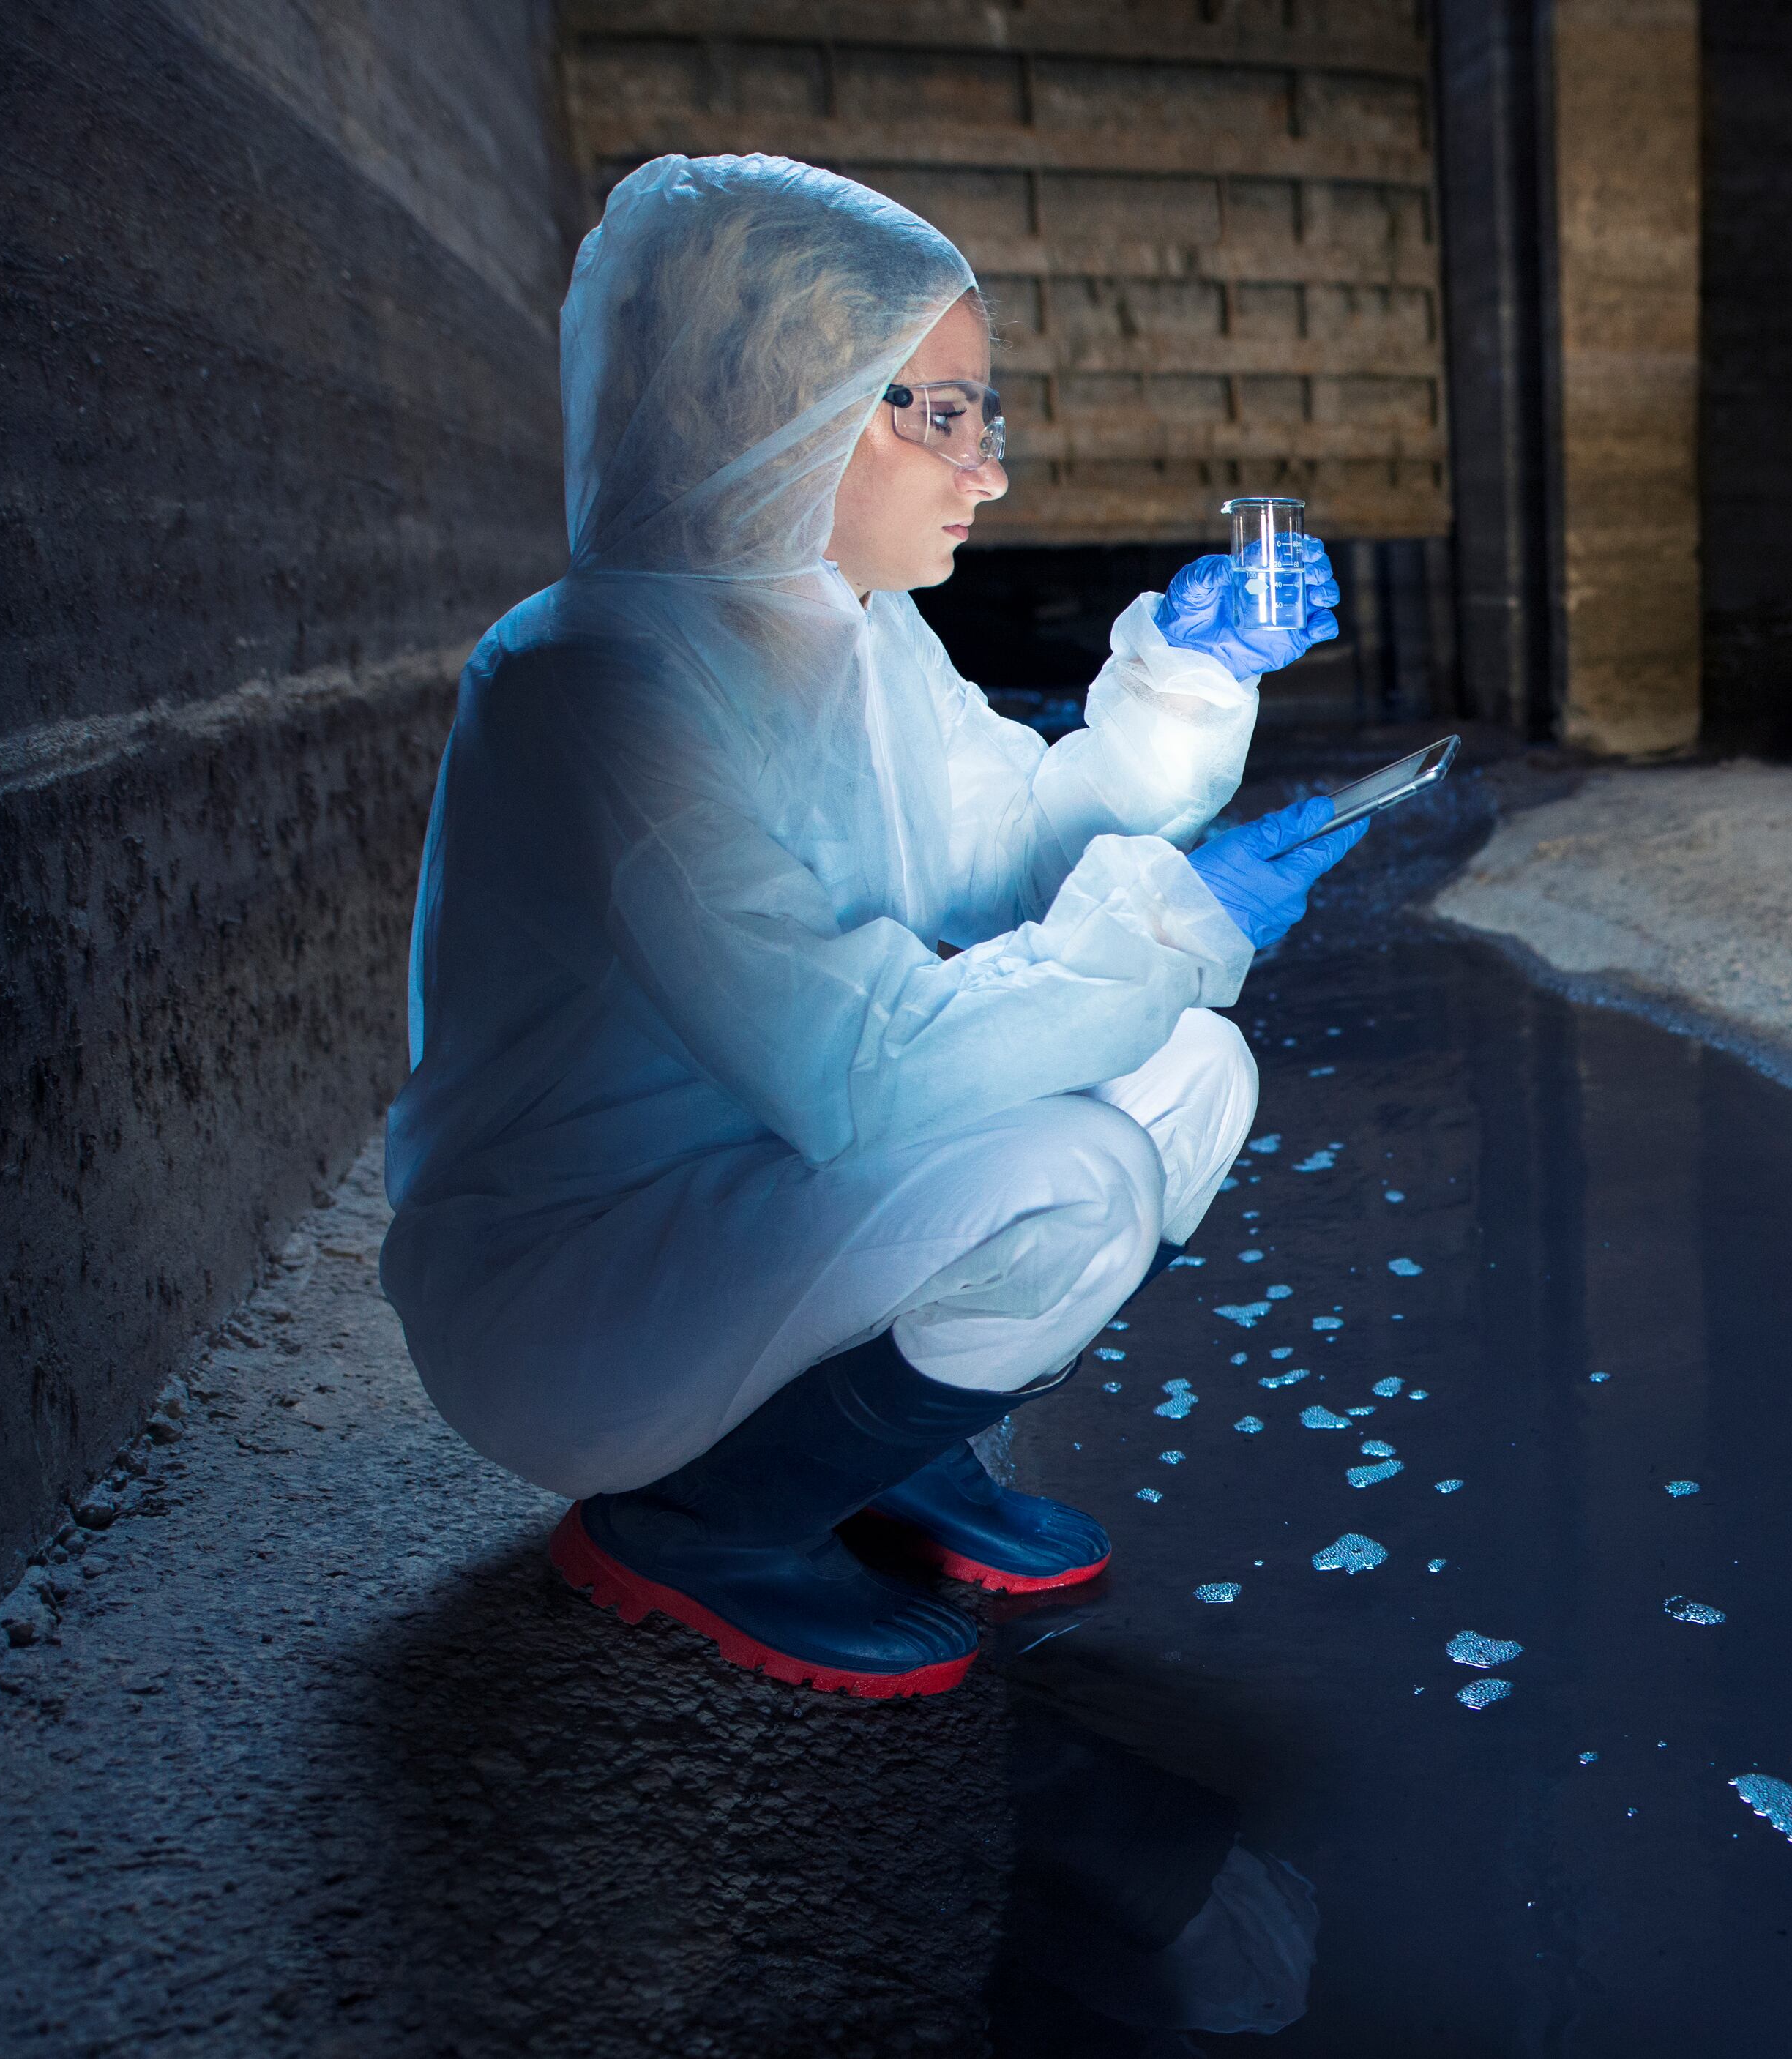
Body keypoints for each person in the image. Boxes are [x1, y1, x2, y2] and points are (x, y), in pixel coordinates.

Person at [381, 154, 1365, 1697]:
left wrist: (1188, 674)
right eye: (947, 413)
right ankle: (701, 1524)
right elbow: (853, 1064)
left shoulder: (855, 631)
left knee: (1189, 1072)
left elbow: (1017, 852)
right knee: (1081, 1170)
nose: (989, 471)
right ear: (791, 404)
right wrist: (1175, 912)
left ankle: (878, 1456)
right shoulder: (595, 683)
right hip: (579, 1285)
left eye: (985, 417)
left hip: (757, 1188)